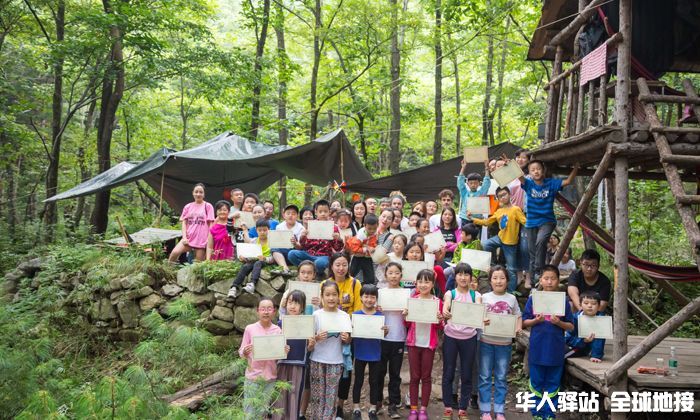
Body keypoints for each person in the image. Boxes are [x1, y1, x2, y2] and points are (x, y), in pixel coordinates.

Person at [522, 265, 574, 420]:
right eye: (546, 278)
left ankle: (549, 414)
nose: (549, 282)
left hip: (555, 349)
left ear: (558, 281)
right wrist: (535, 321)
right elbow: (524, 322)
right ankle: (537, 413)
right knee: (536, 382)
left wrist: (559, 323)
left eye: (553, 278)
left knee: (553, 383)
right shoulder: (534, 299)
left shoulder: (563, 301)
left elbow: (571, 326)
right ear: (541, 280)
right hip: (537, 348)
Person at [519, 160, 578, 281]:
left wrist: (576, 167)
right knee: (532, 252)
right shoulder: (529, 184)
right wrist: (510, 166)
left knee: (541, 242)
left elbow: (567, 181)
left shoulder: (551, 183)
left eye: (538, 169)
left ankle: (539, 271)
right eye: (533, 170)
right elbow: (519, 176)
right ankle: (533, 282)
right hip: (531, 222)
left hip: (547, 220)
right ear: (529, 173)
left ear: (543, 170)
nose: (536, 171)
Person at [479, 266, 522, 420]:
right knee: (484, 376)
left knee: (501, 377)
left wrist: (518, 328)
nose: (499, 281)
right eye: (495, 278)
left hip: (505, 344)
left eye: (502, 278)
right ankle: (485, 410)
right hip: (486, 342)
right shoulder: (484, 297)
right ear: (490, 281)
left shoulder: (512, 299)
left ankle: (499, 410)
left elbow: (518, 316)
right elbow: (477, 316)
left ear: (507, 281)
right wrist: (482, 320)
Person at [441, 263, 481, 420]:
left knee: (467, 374)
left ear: (471, 277)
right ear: (455, 276)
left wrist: (482, 316)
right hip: (451, 337)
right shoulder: (450, 293)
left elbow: (479, 310)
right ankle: (448, 408)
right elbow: (446, 305)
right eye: (460, 274)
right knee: (448, 372)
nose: (463, 277)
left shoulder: (476, 295)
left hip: (469, 338)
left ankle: (463, 409)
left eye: (466, 274)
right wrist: (445, 311)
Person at [403, 269, 444, 420]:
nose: (423, 284)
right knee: (414, 376)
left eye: (427, 281)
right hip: (413, 343)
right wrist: (405, 316)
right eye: (420, 281)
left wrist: (439, 319)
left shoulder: (437, 302)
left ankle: (423, 409)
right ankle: (413, 409)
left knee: (426, 376)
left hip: (429, 343)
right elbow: (407, 324)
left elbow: (440, 326)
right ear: (416, 283)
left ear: (433, 284)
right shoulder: (412, 300)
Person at [238, 298, 289, 417]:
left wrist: (284, 351)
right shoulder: (250, 329)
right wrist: (245, 351)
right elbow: (241, 352)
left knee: (263, 411)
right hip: (253, 377)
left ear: (274, 312)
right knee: (249, 411)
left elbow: (279, 355)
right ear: (258, 311)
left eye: (269, 309)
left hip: (270, 377)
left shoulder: (277, 330)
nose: (266, 312)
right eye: (263, 309)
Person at [471, 186, 527, 293]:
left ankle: (511, 292)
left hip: (510, 242)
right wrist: (472, 219)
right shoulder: (499, 211)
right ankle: (492, 265)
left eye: (504, 194)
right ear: (498, 198)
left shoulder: (516, 209)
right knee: (485, 244)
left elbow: (524, 222)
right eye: (500, 196)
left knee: (511, 269)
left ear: (509, 194)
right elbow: (487, 222)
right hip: (500, 238)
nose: (503, 197)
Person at [309, 281, 352, 419]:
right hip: (317, 360)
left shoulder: (344, 316)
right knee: (317, 397)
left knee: (331, 397)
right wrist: (317, 337)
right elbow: (309, 340)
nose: (331, 298)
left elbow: (348, 341)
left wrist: (347, 338)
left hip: (336, 361)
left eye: (334, 294)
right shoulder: (316, 315)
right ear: (322, 296)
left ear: (339, 296)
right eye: (327, 295)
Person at [274, 291, 316, 420]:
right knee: (279, 396)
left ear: (302, 307)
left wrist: (311, 345)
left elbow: (309, 348)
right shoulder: (280, 324)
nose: (293, 306)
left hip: (299, 365)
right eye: (290, 302)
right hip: (281, 365)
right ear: (285, 304)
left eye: (297, 303)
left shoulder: (307, 324)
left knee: (294, 395)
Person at [351, 284, 388, 420]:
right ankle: (356, 408)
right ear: (361, 297)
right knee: (358, 381)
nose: (369, 300)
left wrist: (385, 331)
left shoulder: (380, 316)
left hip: (375, 353)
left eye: (372, 297)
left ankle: (372, 408)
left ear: (376, 299)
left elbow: (383, 334)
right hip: (360, 352)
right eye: (366, 296)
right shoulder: (355, 315)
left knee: (374, 381)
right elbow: (350, 334)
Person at [376, 262, 407, 418]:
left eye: (397, 273)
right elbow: (372, 314)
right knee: (380, 372)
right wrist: (377, 309)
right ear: (385, 275)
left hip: (399, 337)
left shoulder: (406, 293)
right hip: (383, 338)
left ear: (401, 275)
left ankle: (393, 405)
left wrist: (408, 311)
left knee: (395, 373)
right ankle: (377, 402)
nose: (393, 276)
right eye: (390, 273)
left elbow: (410, 317)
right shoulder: (380, 293)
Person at [289, 200, 344, 276]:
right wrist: (303, 236)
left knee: (320, 263)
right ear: (316, 212)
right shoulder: (311, 224)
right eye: (320, 212)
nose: (323, 214)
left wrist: (339, 239)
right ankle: (306, 269)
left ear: (329, 212)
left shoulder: (333, 227)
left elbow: (337, 249)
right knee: (291, 254)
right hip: (309, 254)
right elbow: (304, 246)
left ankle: (314, 272)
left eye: (325, 211)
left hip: (324, 256)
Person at [228, 220, 274, 298]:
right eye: (260, 230)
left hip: (264, 261)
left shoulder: (271, 242)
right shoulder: (254, 241)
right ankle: (234, 287)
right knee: (245, 266)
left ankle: (252, 284)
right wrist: (244, 258)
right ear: (256, 230)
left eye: (265, 230)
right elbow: (249, 254)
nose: (262, 232)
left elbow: (274, 257)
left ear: (269, 230)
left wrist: (265, 259)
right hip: (253, 260)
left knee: (258, 263)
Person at [169, 183, 214, 263]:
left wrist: (209, 239)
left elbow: (211, 224)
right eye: (196, 192)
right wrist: (184, 237)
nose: (198, 194)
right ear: (193, 193)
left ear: (204, 194)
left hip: (202, 240)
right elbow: (184, 222)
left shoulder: (208, 206)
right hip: (188, 239)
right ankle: (169, 270)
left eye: (201, 192)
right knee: (174, 253)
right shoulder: (188, 206)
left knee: (197, 264)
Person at [565, 290, 606, 363]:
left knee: (560, 355)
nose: (589, 306)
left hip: (581, 349)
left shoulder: (601, 320)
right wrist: (583, 340)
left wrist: (596, 356)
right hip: (573, 344)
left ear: (599, 306)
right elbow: (568, 338)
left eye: (594, 303)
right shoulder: (574, 318)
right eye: (586, 303)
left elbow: (600, 340)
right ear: (580, 305)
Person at [347, 214, 379, 285]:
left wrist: (373, 248)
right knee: (351, 274)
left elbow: (373, 243)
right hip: (357, 257)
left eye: (374, 228)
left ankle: (366, 288)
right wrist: (366, 249)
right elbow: (354, 248)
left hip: (367, 258)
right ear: (364, 225)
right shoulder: (360, 235)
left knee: (370, 279)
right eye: (369, 228)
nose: (372, 231)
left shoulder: (376, 233)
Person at [457, 159, 491, 226]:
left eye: (475, 183)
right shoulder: (465, 193)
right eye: (471, 183)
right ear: (467, 183)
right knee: (464, 233)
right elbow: (460, 182)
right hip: (465, 218)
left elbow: (486, 183)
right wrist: (463, 167)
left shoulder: (481, 193)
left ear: (479, 183)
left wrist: (487, 168)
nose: (473, 185)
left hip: (477, 220)